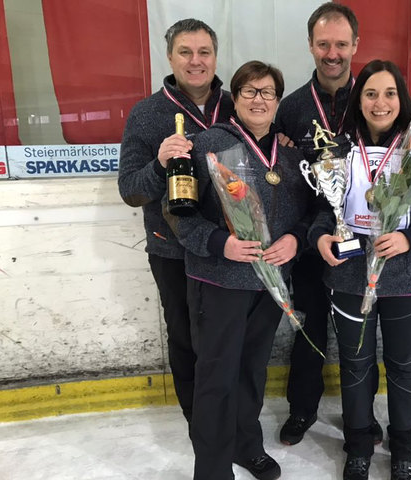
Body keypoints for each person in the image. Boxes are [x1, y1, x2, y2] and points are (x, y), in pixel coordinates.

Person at [309, 60, 411, 480]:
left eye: (390, 93)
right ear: (358, 101)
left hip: (407, 280)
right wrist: (320, 237)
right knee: (355, 364)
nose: (381, 103)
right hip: (348, 278)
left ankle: (403, 450)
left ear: (403, 99)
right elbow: (323, 212)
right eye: (371, 93)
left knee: (403, 366)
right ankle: (358, 445)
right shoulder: (338, 150)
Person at [165, 60, 312, 480]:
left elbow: (309, 214)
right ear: (235, 98)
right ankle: (211, 468)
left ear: (278, 101)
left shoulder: (288, 154)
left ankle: (247, 445)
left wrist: (296, 239)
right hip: (219, 282)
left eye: (268, 92)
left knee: (251, 372)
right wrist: (220, 243)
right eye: (249, 91)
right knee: (215, 377)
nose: (259, 99)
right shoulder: (208, 144)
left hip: (268, 287)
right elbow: (177, 213)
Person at [275, 1, 385, 447]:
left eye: (341, 44)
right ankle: (302, 409)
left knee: (364, 331)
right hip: (305, 241)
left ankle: (365, 415)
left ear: (356, 45)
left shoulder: (376, 100)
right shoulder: (293, 108)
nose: (333, 53)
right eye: (324, 44)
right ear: (311, 46)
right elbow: (274, 173)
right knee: (308, 328)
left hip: (363, 241)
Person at [118, 18, 233, 424]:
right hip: (172, 251)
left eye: (204, 52)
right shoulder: (147, 114)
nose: (196, 61)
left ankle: (232, 423)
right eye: (186, 52)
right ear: (170, 57)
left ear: (216, 57)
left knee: (227, 343)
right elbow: (130, 190)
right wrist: (159, 164)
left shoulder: (238, 107)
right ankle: (200, 426)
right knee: (185, 341)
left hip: (228, 249)